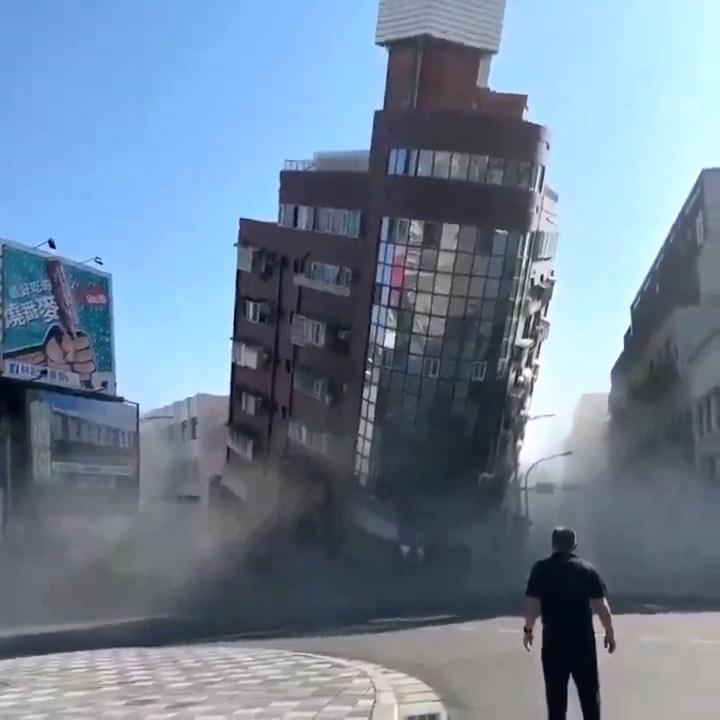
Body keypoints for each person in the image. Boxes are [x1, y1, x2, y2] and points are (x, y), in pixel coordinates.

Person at [523, 527, 616, 720]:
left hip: (554, 642)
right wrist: (609, 632)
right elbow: (601, 605)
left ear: (553, 544)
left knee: (556, 700)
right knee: (589, 697)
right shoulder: (587, 570)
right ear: (574, 545)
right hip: (582, 642)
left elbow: (532, 604)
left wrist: (528, 630)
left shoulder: (541, 569)